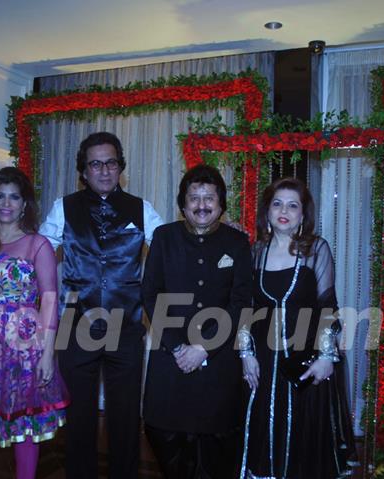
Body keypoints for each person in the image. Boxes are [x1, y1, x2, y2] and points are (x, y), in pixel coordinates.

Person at [39, 131, 163, 479]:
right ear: (84, 170)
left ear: (120, 167)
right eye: (96, 164)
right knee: (78, 415)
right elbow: (37, 251)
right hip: (76, 325)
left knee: (124, 416)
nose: (104, 170)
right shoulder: (64, 207)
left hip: (126, 326)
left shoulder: (142, 208)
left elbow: (168, 245)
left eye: (111, 163)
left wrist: (212, 231)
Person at [238, 177, 355, 478]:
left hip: (306, 361)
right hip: (263, 362)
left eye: (293, 205)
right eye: (277, 203)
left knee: (304, 439)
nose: (284, 211)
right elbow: (245, 308)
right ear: (267, 211)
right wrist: (246, 354)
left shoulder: (316, 249)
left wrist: (327, 358)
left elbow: (328, 306)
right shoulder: (255, 252)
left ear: (303, 214)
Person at [141, 164, 252, 479]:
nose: (202, 205)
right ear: (182, 204)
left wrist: (204, 348)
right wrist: (178, 348)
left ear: (221, 205)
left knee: (216, 447)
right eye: (194, 198)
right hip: (169, 357)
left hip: (218, 361)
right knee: (163, 435)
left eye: (209, 199)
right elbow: (151, 294)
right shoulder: (164, 237)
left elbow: (241, 302)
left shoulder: (237, 243)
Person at [0, 167, 70, 479]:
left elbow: (50, 299)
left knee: (25, 427)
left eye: (15, 196)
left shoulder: (37, 244)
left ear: (25, 204)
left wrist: (48, 354)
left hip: (26, 348)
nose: (7, 203)